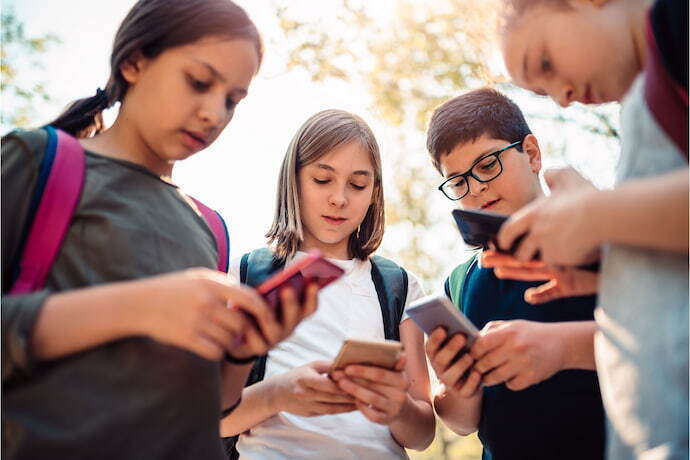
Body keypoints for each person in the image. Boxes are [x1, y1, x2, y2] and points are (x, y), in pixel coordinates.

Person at [2, 1, 316, 458]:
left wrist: (244, 350)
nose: (215, 114)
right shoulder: (37, 161)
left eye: (232, 100)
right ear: (134, 61)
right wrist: (141, 308)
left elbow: (211, 408)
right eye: (198, 82)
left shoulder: (210, 228)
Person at [490, 0, 688, 457]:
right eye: (541, 94)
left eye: (544, 63)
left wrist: (597, 214)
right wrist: (614, 268)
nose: (561, 97)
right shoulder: (645, 102)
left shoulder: (676, 23)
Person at [219, 109, 436, 459]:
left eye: (358, 185)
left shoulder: (397, 286)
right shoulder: (245, 274)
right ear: (294, 179)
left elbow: (423, 433)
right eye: (323, 180)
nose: (339, 198)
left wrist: (398, 408)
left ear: (374, 192)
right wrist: (278, 395)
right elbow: (212, 418)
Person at [423, 88, 605, 460]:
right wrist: (456, 385)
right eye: (458, 182)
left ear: (532, 154)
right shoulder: (459, 282)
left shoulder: (603, 237)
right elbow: (462, 422)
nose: (477, 188)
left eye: (488, 164)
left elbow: (668, 342)